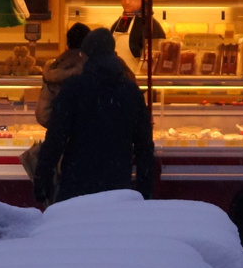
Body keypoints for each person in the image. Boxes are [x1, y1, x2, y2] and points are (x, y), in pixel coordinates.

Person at [31, 27, 158, 205]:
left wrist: (43, 176)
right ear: (113, 54)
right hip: (117, 183)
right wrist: (144, 188)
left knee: (76, 230)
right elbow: (144, 146)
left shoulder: (74, 88)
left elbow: (56, 138)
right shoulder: (130, 91)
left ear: (86, 55)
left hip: (76, 183)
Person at [18, 22, 89, 186]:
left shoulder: (55, 68)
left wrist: (60, 126)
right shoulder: (94, 68)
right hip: (91, 149)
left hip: (61, 149)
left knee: (64, 198)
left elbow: (42, 113)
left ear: (67, 43)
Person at [110, 0, 165, 71]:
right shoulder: (120, 22)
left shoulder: (150, 25)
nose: (127, 2)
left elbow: (156, 62)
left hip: (138, 82)